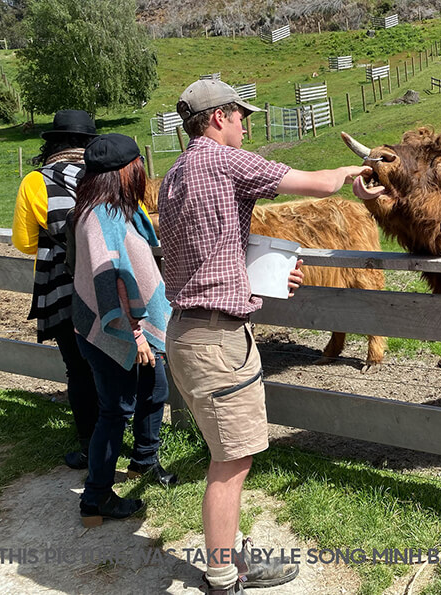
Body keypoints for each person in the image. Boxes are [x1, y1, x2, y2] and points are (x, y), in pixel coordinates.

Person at [158, 79, 382, 594]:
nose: (248, 124)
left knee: (226, 453)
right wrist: (364, 170)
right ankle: (222, 578)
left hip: (187, 332)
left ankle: (232, 556)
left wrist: (266, 274)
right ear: (218, 118)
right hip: (218, 340)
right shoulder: (223, 161)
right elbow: (319, 183)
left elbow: (208, 252)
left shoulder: (174, 176)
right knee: (230, 464)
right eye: (242, 115)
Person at [71, 133, 176, 527]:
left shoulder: (114, 210)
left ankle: (143, 463)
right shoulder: (101, 216)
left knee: (155, 388)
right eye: (137, 167)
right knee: (114, 412)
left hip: (127, 327)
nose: (142, 173)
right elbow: (106, 278)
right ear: (125, 171)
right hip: (114, 331)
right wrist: (133, 332)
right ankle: (95, 499)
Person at [12, 110, 99, 469]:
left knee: (78, 370)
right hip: (112, 281)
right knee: (116, 365)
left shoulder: (35, 182)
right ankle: (138, 446)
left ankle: (90, 447)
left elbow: (23, 242)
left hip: (63, 288)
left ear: (53, 143)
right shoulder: (106, 175)